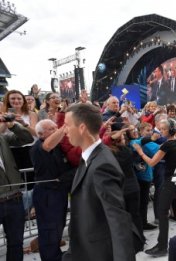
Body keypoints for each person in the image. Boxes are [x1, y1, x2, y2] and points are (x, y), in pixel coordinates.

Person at [62, 103, 135, 261]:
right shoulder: (88, 157)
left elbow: (118, 219)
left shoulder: (102, 165)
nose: (64, 130)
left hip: (98, 253)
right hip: (84, 249)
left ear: (82, 128)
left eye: (67, 125)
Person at [133, 118, 176, 257]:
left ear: (170, 130)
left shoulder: (168, 145)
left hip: (172, 181)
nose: (161, 131)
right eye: (160, 129)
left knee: (162, 212)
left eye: (164, 129)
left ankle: (162, 246)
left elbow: (153, 162)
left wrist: (140, 151)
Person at [30, 119, 74, 261]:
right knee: (49, 230)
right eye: (52, 129)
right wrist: (65, 125)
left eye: (56, 127)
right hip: (47, 195)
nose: (56, 130)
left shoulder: (58, 148)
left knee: (57, 229)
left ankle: (55, 256)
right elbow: (47, 146)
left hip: (59, 193)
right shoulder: (39, 148)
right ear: (41, 134)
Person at [0, 114, 34, 261]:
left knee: (16, 243)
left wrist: (12, 125)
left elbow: (27, 138)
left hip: (14, 198)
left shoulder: (3, 139)